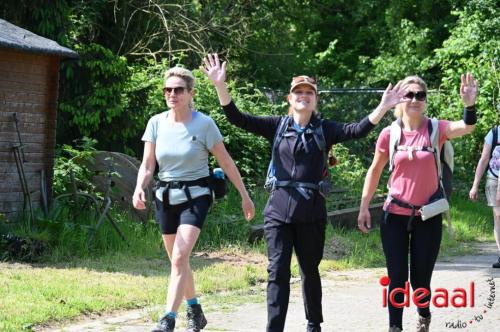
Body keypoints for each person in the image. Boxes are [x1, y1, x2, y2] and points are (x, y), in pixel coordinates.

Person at [202, 53, 407, 332]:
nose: (303, 96)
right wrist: (220, 86)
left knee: (309, 271)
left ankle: (313, 323)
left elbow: (356, 130)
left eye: (309, 92)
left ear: (315, 99)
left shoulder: (325, 129)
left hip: (311, 213)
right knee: (277, 272)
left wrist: (383, 106)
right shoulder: (277, 126)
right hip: (278, 211)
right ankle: (274, 327)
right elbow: (237, 118)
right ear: (289, 98)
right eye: (298, 92)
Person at [133, 66, 255, 332]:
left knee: (179, 258)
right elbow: (147, 164)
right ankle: (196, 310)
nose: (172, 94)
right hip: (165, 198)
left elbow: (227, 162)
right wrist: (139, 187)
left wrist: (245, 196)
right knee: (179, 261)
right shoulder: (156, 123)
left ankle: (168, 319)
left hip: (196, 197)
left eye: (178, 89)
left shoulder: (204, 124)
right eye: (168, 89)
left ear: (190, 93)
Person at [357, 74, 477, 332]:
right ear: (401, 98)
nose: (414, 99)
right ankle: (395, 327)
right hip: (394, 216)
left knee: (420, 281)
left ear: (425, 100)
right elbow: (375, 171)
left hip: (428, 216)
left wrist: (469, 105)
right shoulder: (389, 134)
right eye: (409, 94)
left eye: (419, 95)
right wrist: (365, 206)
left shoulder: (436, 129)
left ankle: (423, 314)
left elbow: (466, 127)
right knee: (397, 278)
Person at [469, 124, 500, 268]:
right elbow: (484, 159)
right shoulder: (494, 132)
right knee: (498, 216)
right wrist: (475, 185)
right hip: (493, 179)